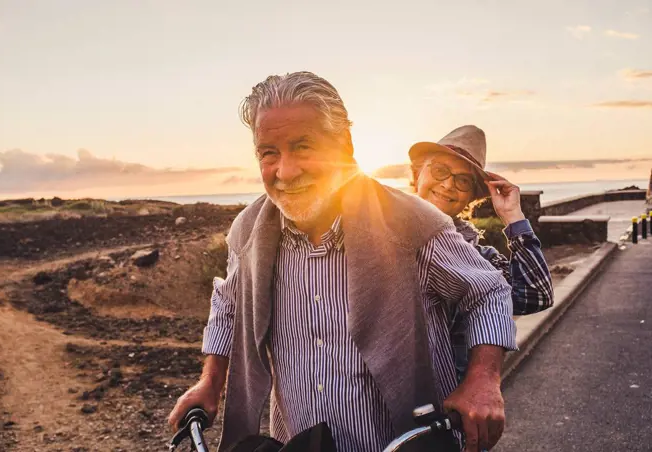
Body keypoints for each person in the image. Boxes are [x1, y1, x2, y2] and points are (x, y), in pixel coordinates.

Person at [169, 72, 517, 452]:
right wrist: (211, 381)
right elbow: (228, 305)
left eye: (303, 147)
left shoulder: (412, 222)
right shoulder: (249, 231)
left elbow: (487, 291)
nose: (285, 171)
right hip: (300, 443)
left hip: (404, 442)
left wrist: (483, 379)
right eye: (269, 153)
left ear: (345, 145)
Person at [408, 125, 554, 380]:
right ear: (418, 173)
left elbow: (535, 295)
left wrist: (512, 216)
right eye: (440, 170)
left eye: (463, 180)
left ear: (471, 198)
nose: (448, 184)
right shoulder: (374, 233)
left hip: (445, 404)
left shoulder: (478, 258)